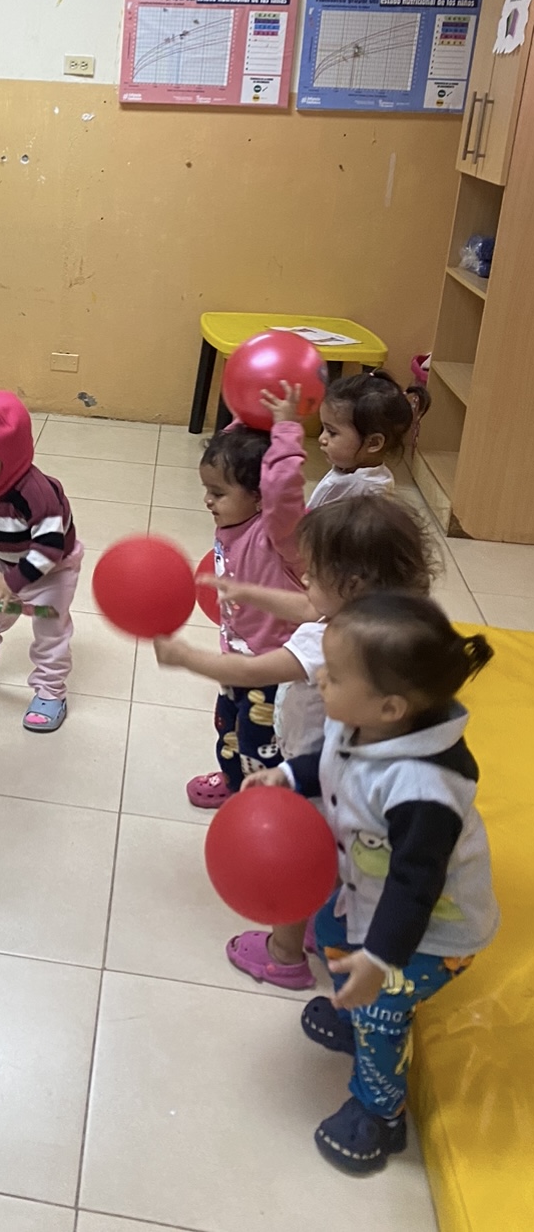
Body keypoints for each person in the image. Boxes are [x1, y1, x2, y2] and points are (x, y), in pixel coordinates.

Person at [242, 593, 498, 1175]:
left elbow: (416, 885)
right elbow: (328, 762)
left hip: (431, 932)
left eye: (333, 676)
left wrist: (380, 960)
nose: (320, 681)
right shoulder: (362, 724)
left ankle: (381, 1113)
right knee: (331, 929)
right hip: (369, 895)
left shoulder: (424, 789)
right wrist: (286, 775)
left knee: (382, 1009)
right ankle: (351, 1008)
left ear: (390, 706)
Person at [157, 492, 435, 988]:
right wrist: (248, 591)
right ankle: (321, 917)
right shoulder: (395, 622)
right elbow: (309, 605)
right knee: (333, 855)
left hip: (323, 766)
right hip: (357, 762)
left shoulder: (333, 642)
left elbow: (250, 670)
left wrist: (185, 658)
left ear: (352, 585)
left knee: (302, 854)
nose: (302, 579)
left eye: (313, 572)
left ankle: (284, 953)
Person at [182, 382, 307, 808]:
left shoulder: (279, 532)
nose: (208, 501)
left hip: (275, 665)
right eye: (207, 490)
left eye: (218, 494)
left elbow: (284, 490)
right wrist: (246, 411)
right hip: (237, 654)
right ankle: (233, 779)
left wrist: (287, 430)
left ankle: (260, 798)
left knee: (261, 741)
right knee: (228, 726)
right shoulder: (235, 520)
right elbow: (237, 451)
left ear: (259, 497)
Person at [0, 392, 82, 733]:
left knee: (50, 630)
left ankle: (51, 692)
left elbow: (50, 548)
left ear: (12, 458)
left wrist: (14, 584)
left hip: (54, 570)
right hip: (7, 567)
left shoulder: (37, 493)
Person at [310, 370, 429, 508]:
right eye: (323, 429)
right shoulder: (349, 468)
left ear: (373, 443)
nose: (322, 438)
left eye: (332, 432)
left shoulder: (370, 494)